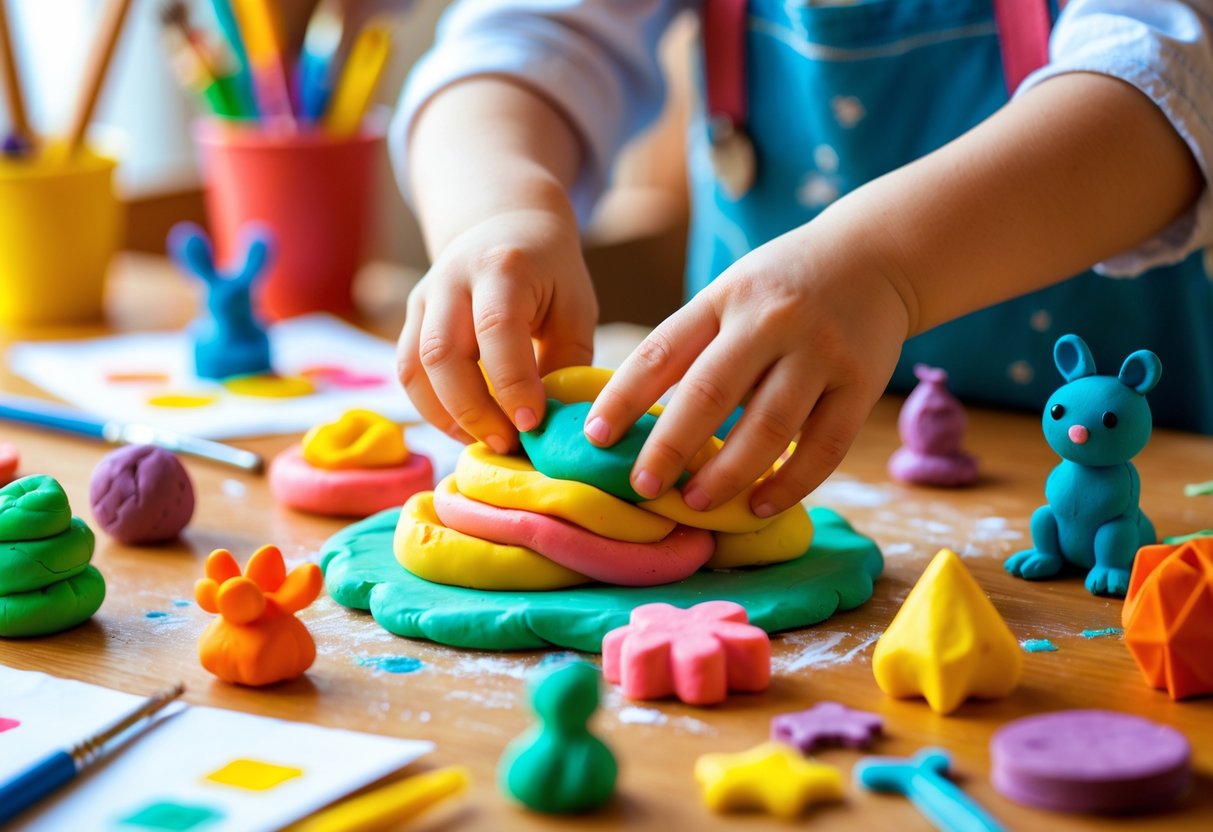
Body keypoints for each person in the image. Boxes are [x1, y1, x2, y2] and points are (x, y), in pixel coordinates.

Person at [390, 0, 1212, 521]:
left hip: (1130, 470)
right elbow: (522, 39)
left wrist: (886, 266)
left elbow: (1166, 81)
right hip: (760, 450)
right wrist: (494, 208)